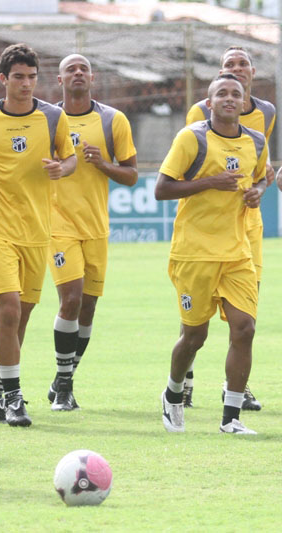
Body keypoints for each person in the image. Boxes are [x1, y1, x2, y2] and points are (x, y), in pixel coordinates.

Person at [0, 44, 76, 427]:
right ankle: (14, 398)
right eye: (18, 77)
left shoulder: (52, 117)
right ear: (3, 79)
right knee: (9, 308)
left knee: (22, 316)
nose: (26, 84)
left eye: (31, 77)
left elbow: (70, 156)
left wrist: (64, 167)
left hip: (37, 230)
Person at [156, 73, 267, 435]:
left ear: (245, 99)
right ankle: (173, 395)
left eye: (236, 93)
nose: (230, 98)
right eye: (222, 93)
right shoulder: (192, 138)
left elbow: (261, 176)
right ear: (209, 102)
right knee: (194, 337)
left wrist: (258, 192)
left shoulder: (255, 140)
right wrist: (210, 183)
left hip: (236, 254)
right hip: (194, 253)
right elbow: (162, 189)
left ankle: (231, 417)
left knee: (245, 328)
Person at [184, 46, 274, 411]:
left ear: (252, 71)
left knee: (246, 312)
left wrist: (262, 186)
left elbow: (261, 172)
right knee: (195, 315)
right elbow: (189, 159)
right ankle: (184, 379)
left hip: (247, 224)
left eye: (241, 65)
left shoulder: (266, 112)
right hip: (206, 226)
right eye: (228, 66)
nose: (236, 70)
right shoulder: (201, 112)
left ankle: (236, 387)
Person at [46, 54, 137, 411]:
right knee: (70, 299)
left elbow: (131, 175)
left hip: (96, 226)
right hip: (57, 223)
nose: (78, 73)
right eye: (71, 69)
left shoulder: (114, 120)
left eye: (84, 68)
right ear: (60, 80)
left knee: (87, 308)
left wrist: (103, 164)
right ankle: (65, 387)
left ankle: (62, 378)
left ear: (93, 78)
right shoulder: (47, 119)